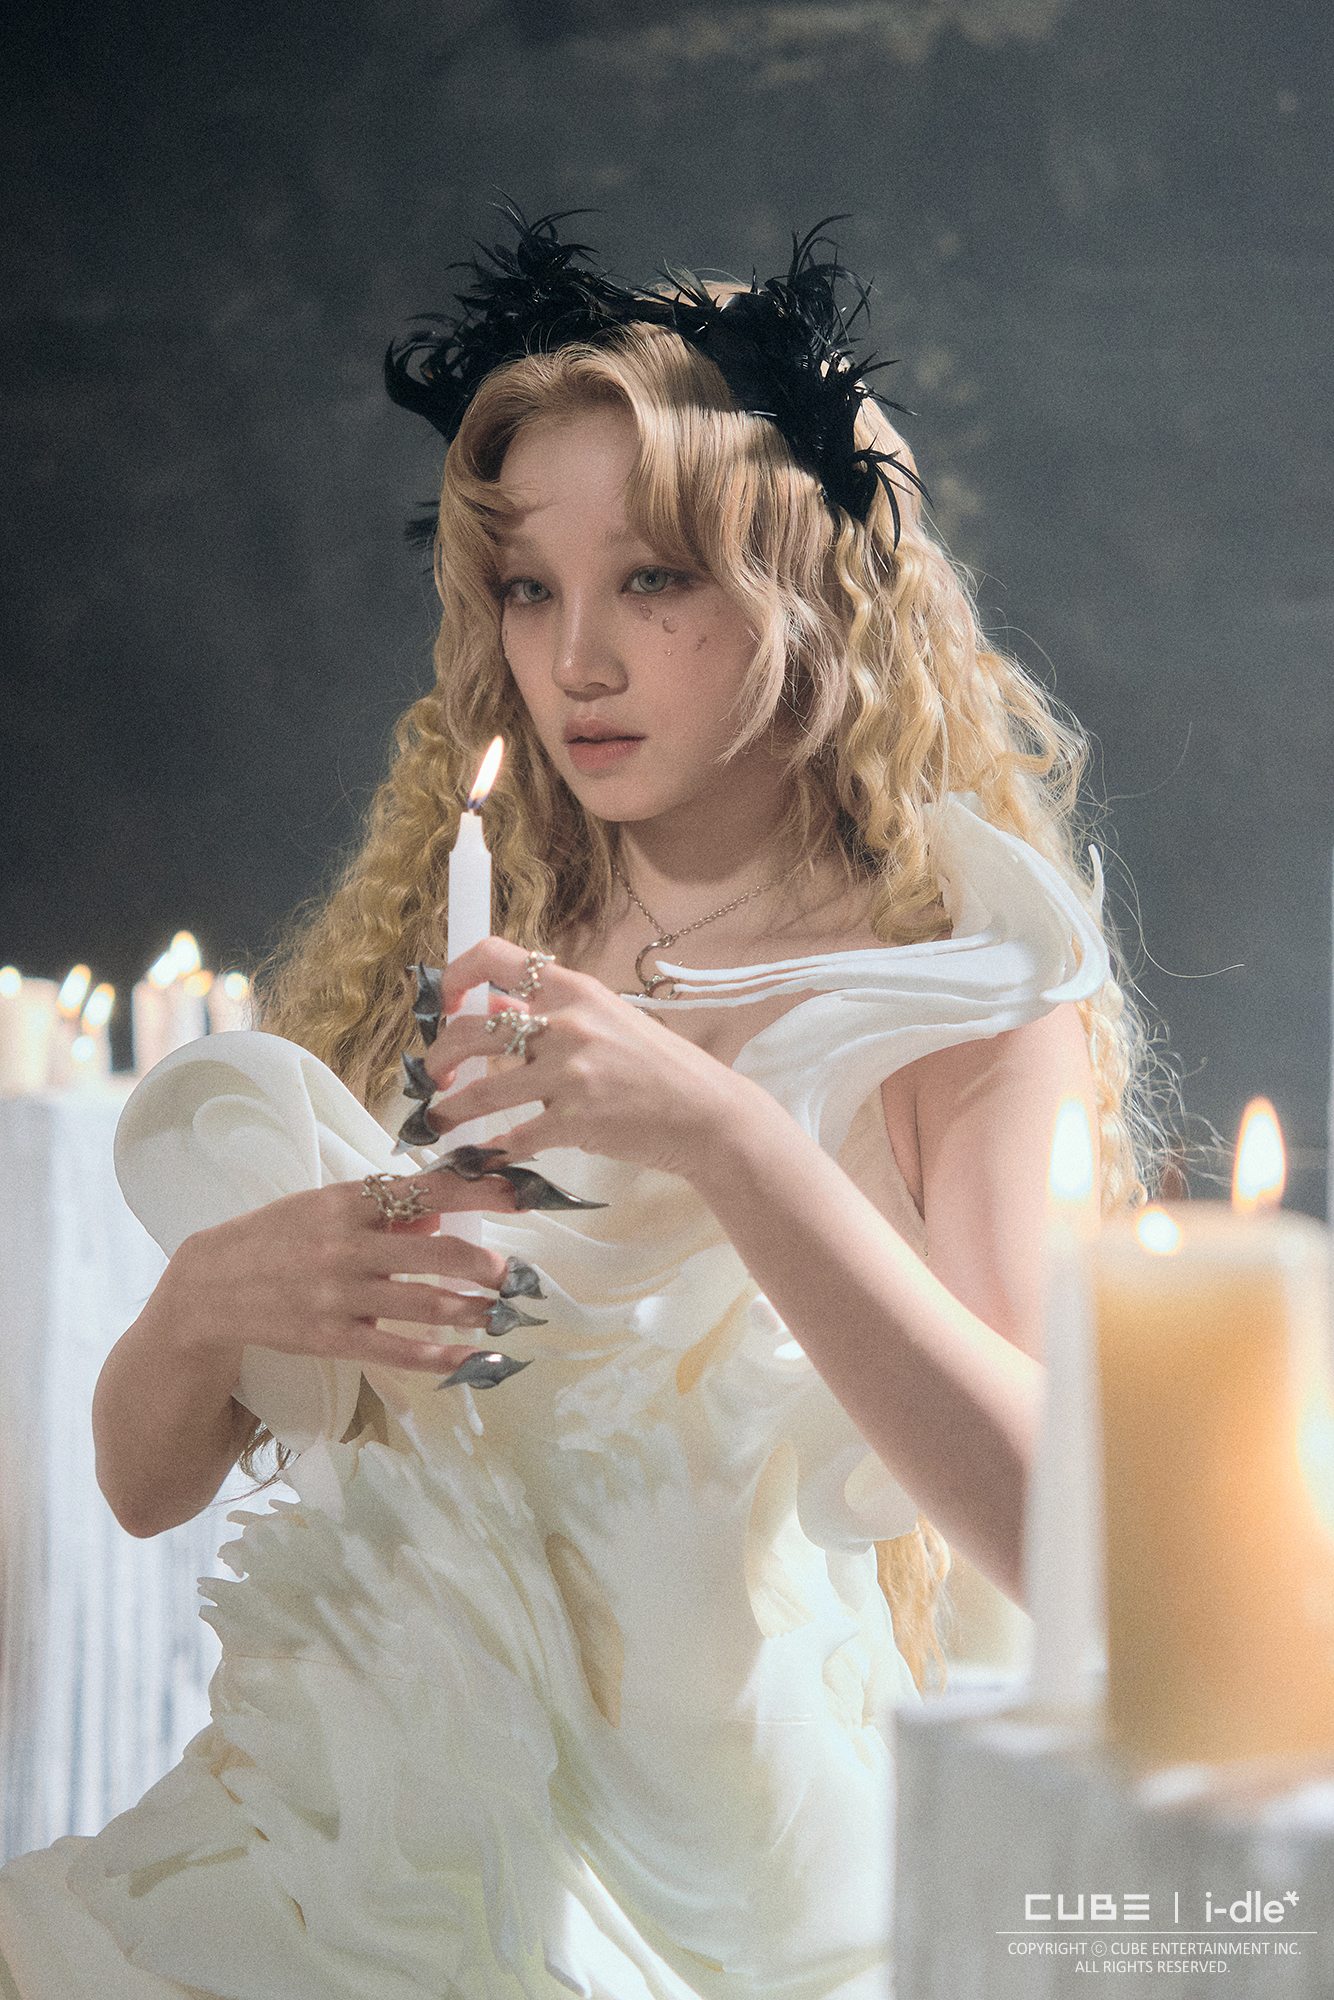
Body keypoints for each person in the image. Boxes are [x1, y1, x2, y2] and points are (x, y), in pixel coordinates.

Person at [0, 212, 1148, 1999]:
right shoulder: (465, 930)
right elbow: (145, 1492)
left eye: (655, 580)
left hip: (710, 1882)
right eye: (528, 588)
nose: (576, 660)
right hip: (332, 1818)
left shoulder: (957, 994)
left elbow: (1063, 1536)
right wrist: (204, 1305)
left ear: (816, 590)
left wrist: (731, 1135)